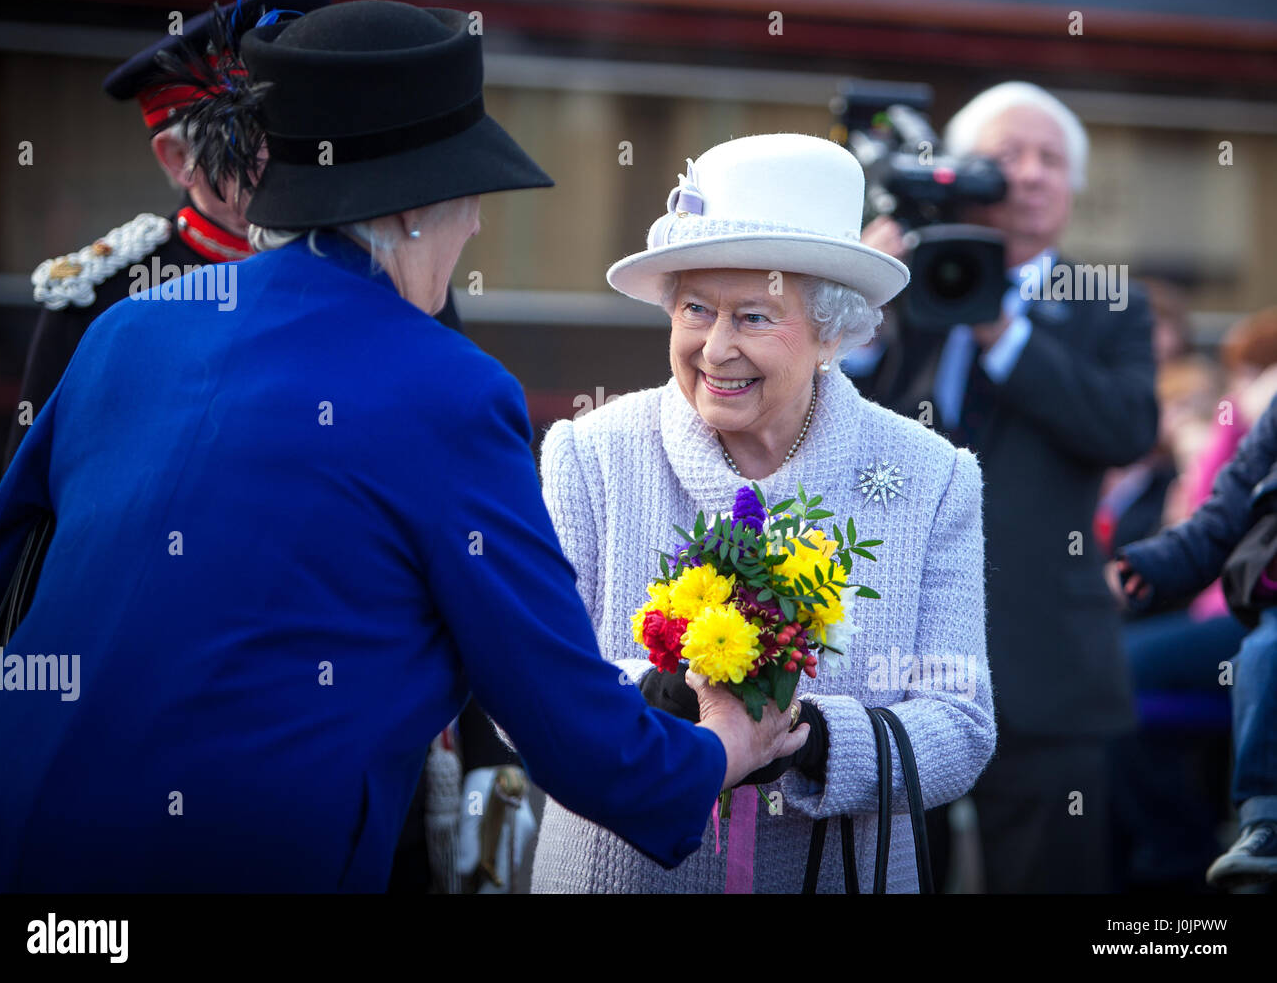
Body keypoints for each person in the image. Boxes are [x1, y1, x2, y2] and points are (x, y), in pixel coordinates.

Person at [0, 0, 806, 893]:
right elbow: (566, 719)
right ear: (415, 210)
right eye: (472, 196)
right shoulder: (449, 389)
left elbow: (2, 580)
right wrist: (719, 748)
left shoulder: (130, 326)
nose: (480, 226)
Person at [529, 133, 995, 893]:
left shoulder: (932, 476)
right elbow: (533, 690)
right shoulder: (592, 455)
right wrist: (672, 700)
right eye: (694, 310)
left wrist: (805, 737)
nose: (715, 349)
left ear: (830, 332)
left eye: (752, 316)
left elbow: (960, 724)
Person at [852, 82, 1159, 893]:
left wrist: (1001, 328)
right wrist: (851, 300)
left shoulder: (1111, 303)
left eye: (1050, 159)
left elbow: (1127, 426)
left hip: (1049, 667)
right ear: (956, 173)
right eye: (1002, 157)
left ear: (1073, 186)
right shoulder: (901, 293)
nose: (1027, 174)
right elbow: (830, 423)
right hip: (896, 657)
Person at [4, 0, 335, 467]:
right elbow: (34, 500)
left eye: (295, 129)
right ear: (178, 157)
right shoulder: (99, 300)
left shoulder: (370, 261)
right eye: (246, 138)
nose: (281, 155)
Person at [1112, 385, 1277, 889]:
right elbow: (1224, 513)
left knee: (1266, 651)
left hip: (1246, 625)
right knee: (1115, 669)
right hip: (1259, 600)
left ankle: (1257, 824)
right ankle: (1179, 860)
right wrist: (1159, 561)